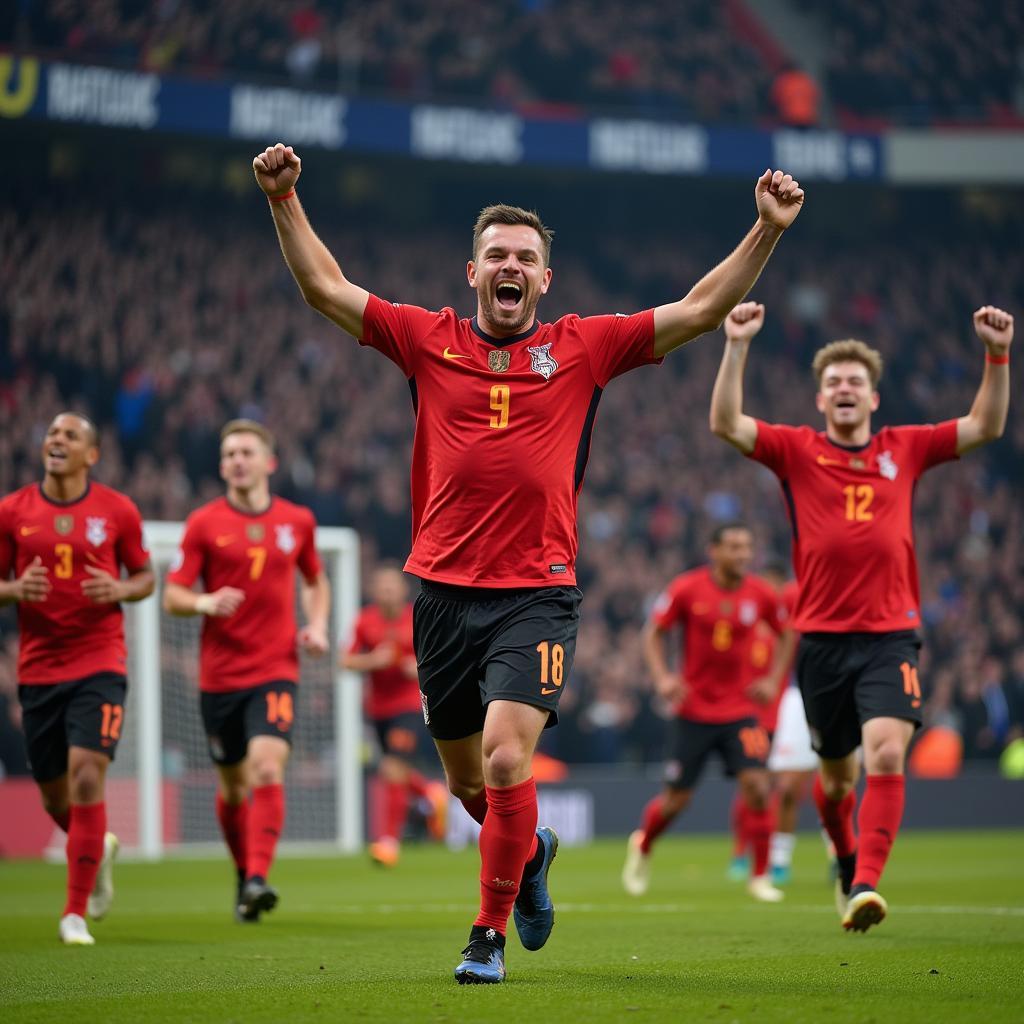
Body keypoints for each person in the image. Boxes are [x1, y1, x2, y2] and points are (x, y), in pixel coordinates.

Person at [253, 140, 804, 982]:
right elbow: (324, 288)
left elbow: (697, 309)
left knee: (511, 760)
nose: (511, 267)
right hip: (440, 594)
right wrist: (285, 199)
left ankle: (486, 935)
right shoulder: (424, 338)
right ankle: (534, 853)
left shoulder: (584, 347)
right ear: (471, 270)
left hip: (537, 596)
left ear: (546, 280)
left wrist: (764, 229)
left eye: (526, 259)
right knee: (476, 792)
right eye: (497, 255)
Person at [710, 300, 1013, 931]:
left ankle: (867, 884)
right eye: (834, 384)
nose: (844, 390)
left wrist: (997, 353)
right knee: (838, 781)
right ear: (820, 401)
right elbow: (726, 424)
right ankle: (847, 858)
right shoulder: (796, 450)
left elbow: (985, 425)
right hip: (820, 642)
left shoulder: (905, 447)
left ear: (874, 400)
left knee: (886, 754)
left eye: (855, 383)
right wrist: (736, 344)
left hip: (889, 637)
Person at [163, 419, 330, 922]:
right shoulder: (203, 524)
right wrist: (205, 601)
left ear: (268, 462)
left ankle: (258, 877)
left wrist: (318, 625)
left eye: (246, 452)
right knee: (233, 788)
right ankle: (244, 875)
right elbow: (173, 596)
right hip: (218, 678)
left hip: (276, 668)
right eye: (229, 453)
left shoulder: (297, 521)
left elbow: (315, 581)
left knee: (265, 768)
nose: (237, 460)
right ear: (222, 466)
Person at [0, 412, 154, 945]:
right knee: (54, 796)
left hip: (100, 662)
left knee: (88, 773)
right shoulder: (12, 511)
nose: (56, 441)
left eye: (70, 435)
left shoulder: (117, 510)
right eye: (51, 434)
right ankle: (97, 846)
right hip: (39, 667)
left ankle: (73, 913)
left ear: (92, 455)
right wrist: (15, 590)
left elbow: (145, 578)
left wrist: (119, 590)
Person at [622, 524, 795, 903]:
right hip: (694, 711)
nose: (742, 555)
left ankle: (760, 876)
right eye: (734, 547)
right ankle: (644, 845)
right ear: (713, 551)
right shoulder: (687, 588)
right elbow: (653, 633)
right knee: (676, 801)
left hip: (741, 709)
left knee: (757, 786)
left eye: (747, 547)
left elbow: (787, 633)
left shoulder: (761, 593)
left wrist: (772, 679)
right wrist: (663, 677)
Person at [342, 564, 446, 866]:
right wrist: (374, 660)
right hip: (378, 710)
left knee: (391, 767)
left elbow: (439, 661)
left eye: (392, 585)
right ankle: (429, 792)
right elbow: (346, 661)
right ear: (374, 590)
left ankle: (388, 842)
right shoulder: (365, 621)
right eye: (381, 585)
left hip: (410, 706)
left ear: (402, 589)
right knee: (395, 772)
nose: (387, 591)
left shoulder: (417, 617)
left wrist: (416, 669)